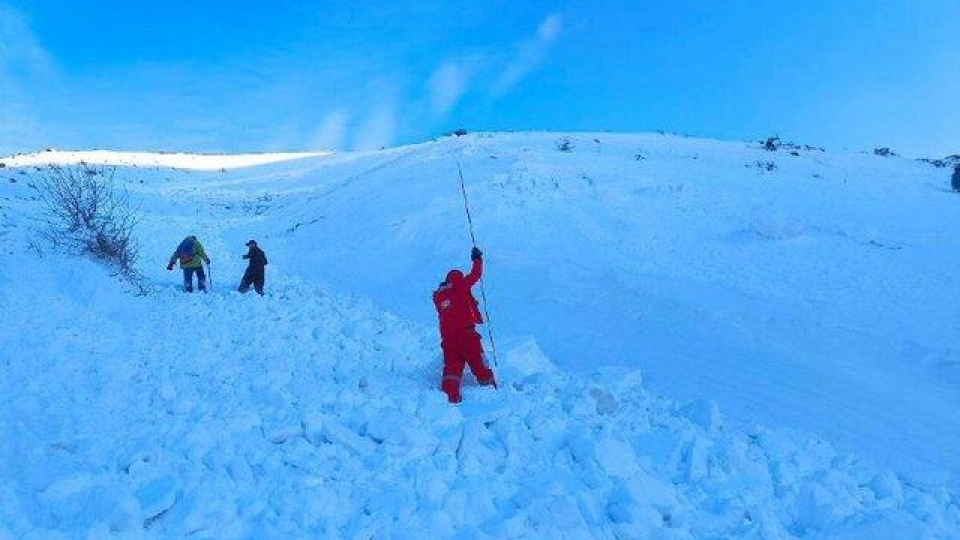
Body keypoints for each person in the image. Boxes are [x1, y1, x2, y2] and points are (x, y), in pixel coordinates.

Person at [432, 246, 497, 403]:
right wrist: (477, 258)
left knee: (451, 370)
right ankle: (495, 397)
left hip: (448, 341)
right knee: (478, 363)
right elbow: (476, 274)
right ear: (458, 278)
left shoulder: (438, 296)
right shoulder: (460, 285)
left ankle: (449, 400)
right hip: (467, 335)